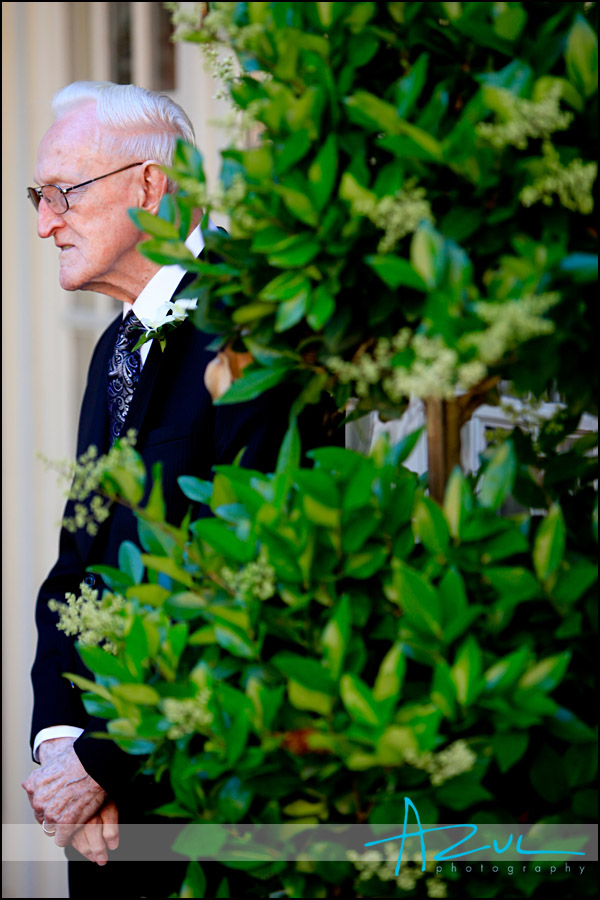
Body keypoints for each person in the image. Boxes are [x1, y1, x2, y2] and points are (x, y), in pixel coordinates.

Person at [21, 81, 335, 899]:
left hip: (217, 824)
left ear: (151, 187)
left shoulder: (255, 324)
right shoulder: (114, 350)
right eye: (38, 196)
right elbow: (74, 571)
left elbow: (251, 583)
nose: (45, 220)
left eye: (63, 193)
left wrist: (99, 762)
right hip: (106, 826)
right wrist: (59, 745)